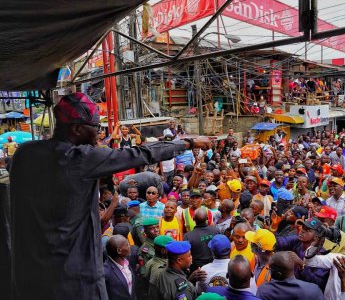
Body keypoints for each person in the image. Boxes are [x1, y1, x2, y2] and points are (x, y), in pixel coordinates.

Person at [9, 93, 210, 300]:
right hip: (73, 277)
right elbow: (140, 153)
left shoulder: (23, 155)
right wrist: (188, 143)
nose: (100, 134)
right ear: (77, 129)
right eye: (96, 128)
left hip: (28, 275)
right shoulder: (80, 158)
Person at [256, 251, 324, 300]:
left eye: (270, 268)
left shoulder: (264, 290)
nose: (268, 270)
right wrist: (302, 265)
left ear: (278, 273)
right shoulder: (313, 290)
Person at [104, 235, 137, 300]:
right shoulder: (106, 271)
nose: (129, 246)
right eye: (127, 245)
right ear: (119, 250)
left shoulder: (127, 263)